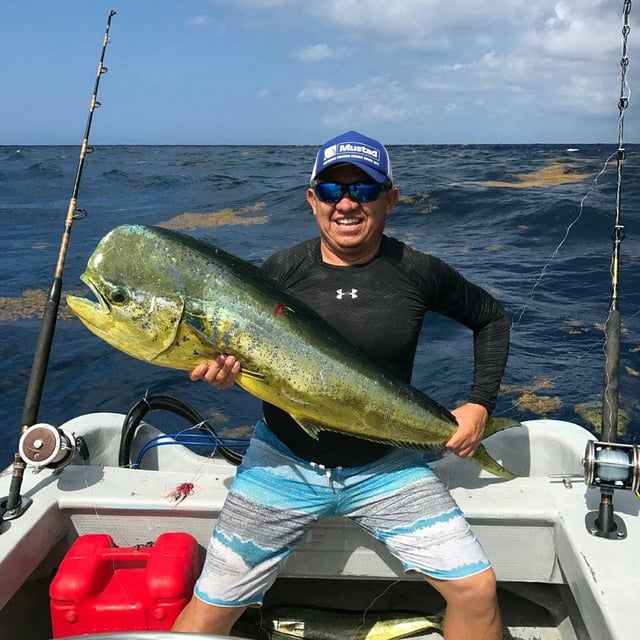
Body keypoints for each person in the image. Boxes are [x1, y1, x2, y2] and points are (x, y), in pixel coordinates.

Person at [172, 130, 510, 639]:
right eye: (331, 191)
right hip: (282, 460)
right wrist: (217, 368)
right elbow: (235, 354)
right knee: (209, 609)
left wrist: (480, 404)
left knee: (478, 590)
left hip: (385, 464)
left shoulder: (417, 271)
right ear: (312, 200)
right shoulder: (279, 273)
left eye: (364, 190)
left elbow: (492, 318)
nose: (346, 203)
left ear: (390, 200)